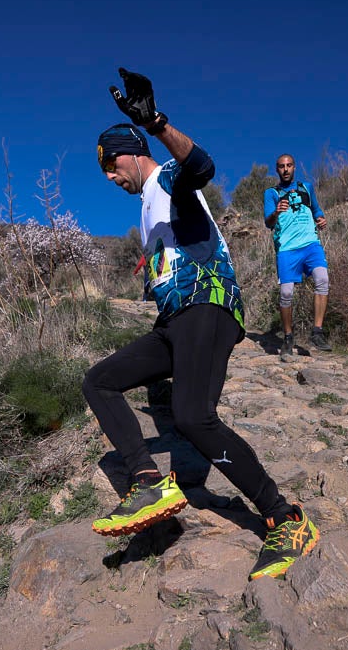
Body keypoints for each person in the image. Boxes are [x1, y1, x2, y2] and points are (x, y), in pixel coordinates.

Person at [82, 68, 319, 581]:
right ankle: (148, 482)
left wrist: (158, 123)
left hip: (207, 307)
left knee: (192, 416)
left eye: (107, 164)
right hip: (175, 320)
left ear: (127, 151)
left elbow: (203, 166)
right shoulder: (148, 208)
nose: (107, 176)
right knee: (99, 381)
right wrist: (151, 265)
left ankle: (286, 517)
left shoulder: (167, 177)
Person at [263, 154, 332, 358]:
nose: (285, 169)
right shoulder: (271, 193)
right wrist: (276, 212)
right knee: (286, 293)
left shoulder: (307, 188)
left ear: (294, 168)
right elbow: (268, 222)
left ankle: (317, 332)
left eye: (289, 165)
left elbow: (316, 210)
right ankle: (288, 336)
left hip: (311, 244)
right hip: (287, 248)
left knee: (322, 280)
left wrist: (320, 219)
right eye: (282, 166)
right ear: (277, 170)